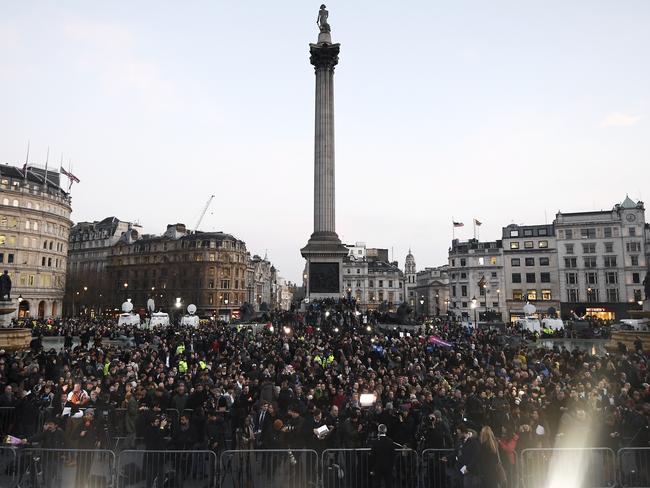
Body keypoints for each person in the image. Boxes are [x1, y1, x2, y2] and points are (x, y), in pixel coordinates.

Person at [370, 423, 396, 488]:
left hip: (377, 466)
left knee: (377, 484)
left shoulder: (375, 442)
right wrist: (392, 465)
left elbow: (372, 456)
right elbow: (393, 454)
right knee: (388, 484)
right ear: (385, 430)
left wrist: (372, 467)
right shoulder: (390, 441)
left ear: (378, 431)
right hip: (388, 465)